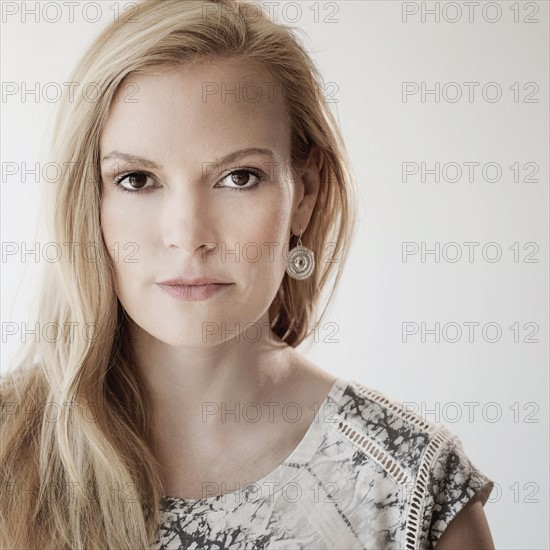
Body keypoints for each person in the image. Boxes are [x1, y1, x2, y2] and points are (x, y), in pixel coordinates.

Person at [0, 0, 495, 548]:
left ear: (304, 195)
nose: (188, 236)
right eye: (137, 180)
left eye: (239, 177)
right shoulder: (8, 453)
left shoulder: (408, 484)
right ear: (87, 198)